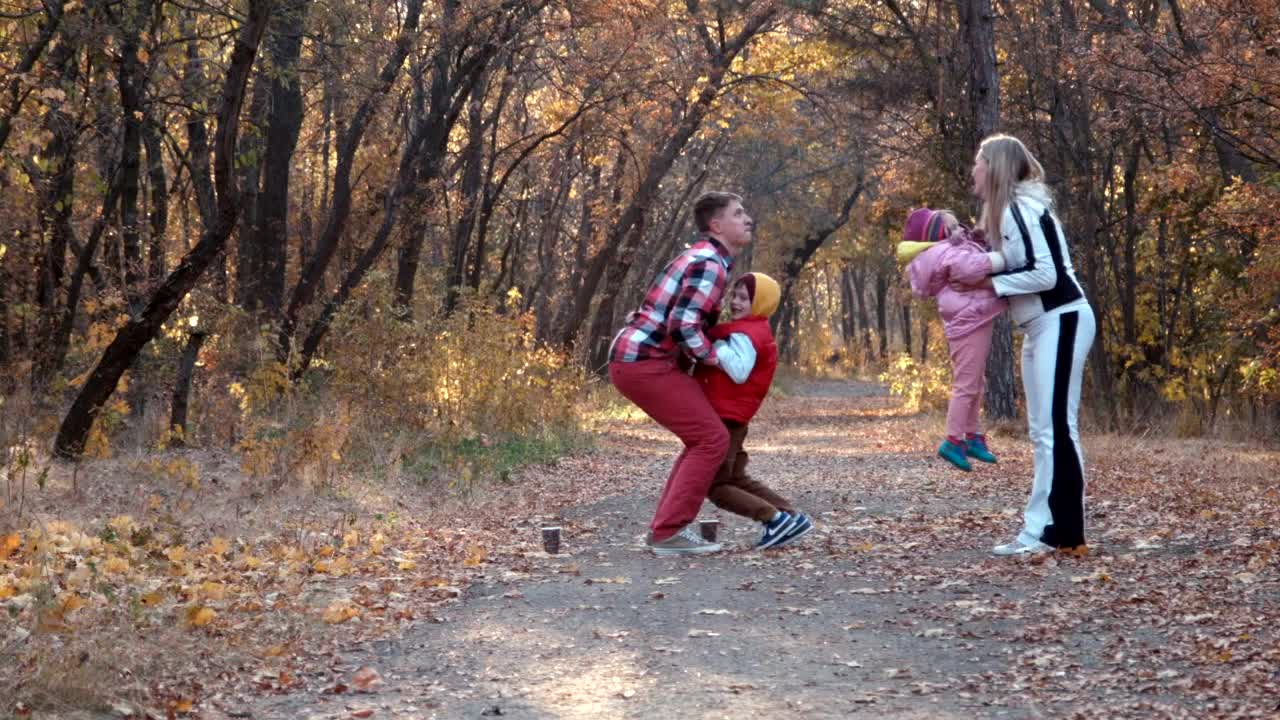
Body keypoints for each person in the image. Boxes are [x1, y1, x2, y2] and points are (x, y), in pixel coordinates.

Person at [957, 134, 1096, 556]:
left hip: (1063, 317)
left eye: (978, 162)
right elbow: (1022, 263)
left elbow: (1047, 274)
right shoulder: (1011, 213)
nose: (973, 171)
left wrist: (989, 280)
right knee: (1042, 432)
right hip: (1039, 327)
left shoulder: (1020, 208)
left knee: (1056, 430)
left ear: (995, 167)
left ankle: (1063, 532)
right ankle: (1040, 530)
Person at [608, 191, 752, 556]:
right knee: (712, 439)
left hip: (638, 359)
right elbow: (684, 324)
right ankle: (668, 533)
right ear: (716, 226)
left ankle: (666, 529)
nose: (747, 219)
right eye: (738, 214)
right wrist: (715, 359)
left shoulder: (704, 258)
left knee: (703, 439)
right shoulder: (710, 263)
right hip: (644, 362)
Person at [696, 272, 815, 549]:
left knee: (714, 486)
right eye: (734, 296)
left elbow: (739, 371)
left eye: (744, 298)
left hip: (726, 418)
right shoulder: (751, 330)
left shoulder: (746, 335)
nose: (736, 302)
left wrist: (715, 350)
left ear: (760, 302)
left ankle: (772, 518)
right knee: (736, 478)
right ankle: (789, 517)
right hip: (733, 417)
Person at [896, 208, 1008, 471]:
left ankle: (973, 436)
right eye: (955, 227)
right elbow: (972, 268)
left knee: (974, 382)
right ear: (940, 235)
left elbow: (970, 260)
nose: (962, 230)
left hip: (972, 317)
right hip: (970, 321)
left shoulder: (948, 249)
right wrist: (1005, 259)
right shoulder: (947, 252)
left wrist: (977, 240)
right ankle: (953, 440)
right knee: (966, 384)